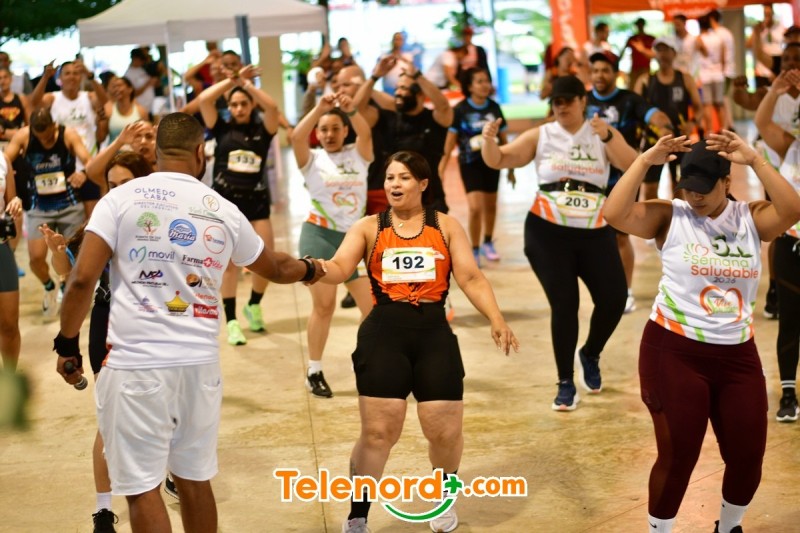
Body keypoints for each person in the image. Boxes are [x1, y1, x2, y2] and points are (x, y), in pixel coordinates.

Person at [53, 112, 324, 533]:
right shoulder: (223, 209)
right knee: (194, 481)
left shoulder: (119, 200)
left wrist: (67, 344)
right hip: (200, 368)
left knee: (142, 488)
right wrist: (312, 268)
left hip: (136, 367)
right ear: (201, 153)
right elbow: (274, 267)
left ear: (157, 152)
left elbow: (81, 281)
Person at [603, 131, 800, 533]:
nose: (694, 196)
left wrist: (755, 159)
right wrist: (646, 160)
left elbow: (793, 209)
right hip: (674, 351)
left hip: (738, 354)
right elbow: (614, 213)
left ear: (726, 182)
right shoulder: (670, 216)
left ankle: (729, 527)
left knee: (748, 455)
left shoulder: (750, 217)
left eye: (704, 188)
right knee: (679, 455)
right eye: (688, 187)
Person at [314, 150, 518, 533]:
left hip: (433, 334)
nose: (395, 184)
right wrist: (313, 268)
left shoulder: (446, 226)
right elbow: (340, 267)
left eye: (404, 177)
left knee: (445, 430)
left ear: (423, 184)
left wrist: (496, 318)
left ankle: (443, 500)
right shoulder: (368, 227)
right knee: (378, 432)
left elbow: (470, 277)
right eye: (390, 177)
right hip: (383, 334)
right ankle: (358, 515)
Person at [481, 75, 637, 411]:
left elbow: (630, 164)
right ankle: (565, 382)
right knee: (565, 304)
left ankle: (590, 353)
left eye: (568, 100)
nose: (562, 106)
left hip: (595, 227)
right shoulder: (542, 134)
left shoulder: (600, 132)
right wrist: (489, 142)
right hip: (547, 231)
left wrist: (608, 136)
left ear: (583, 101)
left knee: (614, 299)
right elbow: (499, 159)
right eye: (556, 101)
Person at [41, 151, 153, 533]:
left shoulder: (162, 220)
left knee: (160, 415)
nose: (118, 191)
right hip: (106, 327)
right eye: (113, 184)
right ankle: (103, 510)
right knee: (109, 422)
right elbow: (72, 276)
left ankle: (169, 475)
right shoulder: (101, 220)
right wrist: (59, 253)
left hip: (153, 328)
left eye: (126, 183)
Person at [290, 93, 374, 398]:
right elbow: (296, 137)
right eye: (323, 129)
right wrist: (319, 109)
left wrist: (351, 109)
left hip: (353, 240)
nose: (329, 134)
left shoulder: (359, 154)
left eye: (335, 128)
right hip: (320, 236)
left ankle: (363, 359)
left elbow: (366, 132)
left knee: (373, 309)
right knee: (324, 306)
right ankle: (314, 371)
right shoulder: (311, 159)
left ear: (345, 130)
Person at [198, 64, 280, 345]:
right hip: (226, 204)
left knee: (266, 260)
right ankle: (232, 320)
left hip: (256, 203)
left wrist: (245, 84)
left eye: (244, 103)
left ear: (251, 104)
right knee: (229, 264)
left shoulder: (263, 129)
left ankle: (254, 305)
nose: (239, 108)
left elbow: (273, 108)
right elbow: (204, 100)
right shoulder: (222, 128)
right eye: (233, 104)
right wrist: (232, 80)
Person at [586, 50, 673, 312]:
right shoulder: (582, 100)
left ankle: (625, 292)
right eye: (595, 71)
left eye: (605, 70)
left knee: (620, 237)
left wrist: (664, 127)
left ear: (616, 74)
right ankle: (602, 288)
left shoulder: (630, 100)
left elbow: (656, 116)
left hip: (622, 178)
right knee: (591, 238)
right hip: (589, 178)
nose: (600, 75)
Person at [3, 108, 92, 317]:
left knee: (71, 258)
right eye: (40, 137)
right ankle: (50, 286)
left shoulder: (68, 134)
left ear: (54, 125)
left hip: (69, 205)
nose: (44, 141)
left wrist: (83, 173)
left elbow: (89, 160)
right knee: (35, 259)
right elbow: (4, 160)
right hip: (39, 207)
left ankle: (66, 287)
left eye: (48, 137)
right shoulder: (23, 136)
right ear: (32, 130)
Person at [753, 69, 800, 422]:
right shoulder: (791, 146)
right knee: (790, 321)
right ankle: (788, 394)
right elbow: (761, 121)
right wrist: (775, 91)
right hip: (791, 245)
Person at [356, 56, 453, 214]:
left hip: (430, 201)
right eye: (397, 88)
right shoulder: (388, 118)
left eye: (404, 88)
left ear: (420, 94)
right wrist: (375, 76)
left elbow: (443, 105)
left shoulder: (434, 120)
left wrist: (417, 75)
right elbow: (358, 109)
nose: (398, 93)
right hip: (395, 201)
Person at [441, 67, 514, 266]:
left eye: (486, 81)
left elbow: (504, 139)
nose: (485, 85)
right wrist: (442, 168)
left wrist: (511, 168)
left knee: (491, 205)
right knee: (475, 208)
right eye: (479, 81)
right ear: (470, 86)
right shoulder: (460, 110)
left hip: (492, 162)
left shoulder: (494, 108)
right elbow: (450, 141)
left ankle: (488, 242)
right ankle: (473, 248)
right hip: (469, 163)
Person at [30, 59, 109, 216]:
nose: (72, 77)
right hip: (63, 167)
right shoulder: (53, 98)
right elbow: (34, 103)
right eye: (67, 73)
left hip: (87, 164)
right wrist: (45, 77)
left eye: (76, 73)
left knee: (92, 215)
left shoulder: (88, 97)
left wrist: (90, 75)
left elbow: (104, 101)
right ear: (60, 78)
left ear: (81, 77)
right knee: (66, 216)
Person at [634, 37, 704, 200]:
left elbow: (699, 108)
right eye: (658, 50)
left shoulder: (685, 79)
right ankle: (655, 217)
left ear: (674, 53)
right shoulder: (645, 80)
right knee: (650, 190)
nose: (662, 54)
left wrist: (692, 123)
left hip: (679, 142)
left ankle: (678, 217)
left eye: (666, 50)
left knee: (680, 190)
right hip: (653, 142)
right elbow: (635, 109)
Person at [0, 153, 22, 371]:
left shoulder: (3, 159)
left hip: (1, 247)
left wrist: (16, 203)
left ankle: (9, 379)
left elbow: (12, 201)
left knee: (9, 323)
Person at [747, 3, 786, 88]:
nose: (767, 16)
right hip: (762, 67)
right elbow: (748, 45)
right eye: (765, 14)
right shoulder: (759, 29)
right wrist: (756, 32)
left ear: (773, 13)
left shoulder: (779, 27)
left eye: (769, 13)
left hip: (777, 64)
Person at [105, 77, 148, 143]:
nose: (116, 89)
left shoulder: (141, 111)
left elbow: (146, 134)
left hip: (134, 149)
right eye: (114, 87)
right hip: (114, 149)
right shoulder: (108, 109)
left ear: (130, 89)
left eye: (119, 85)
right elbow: (101, 137)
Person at [625, 18, 656, 89]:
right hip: (634, 69)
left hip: (646, 69)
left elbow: (655, 54)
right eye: (638, 25)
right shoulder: (632, 39)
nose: (640, 26)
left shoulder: (650, 38)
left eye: (641, 24)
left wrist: (642, 49)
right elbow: (624, 51)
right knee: (632, 88)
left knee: (646, 88)